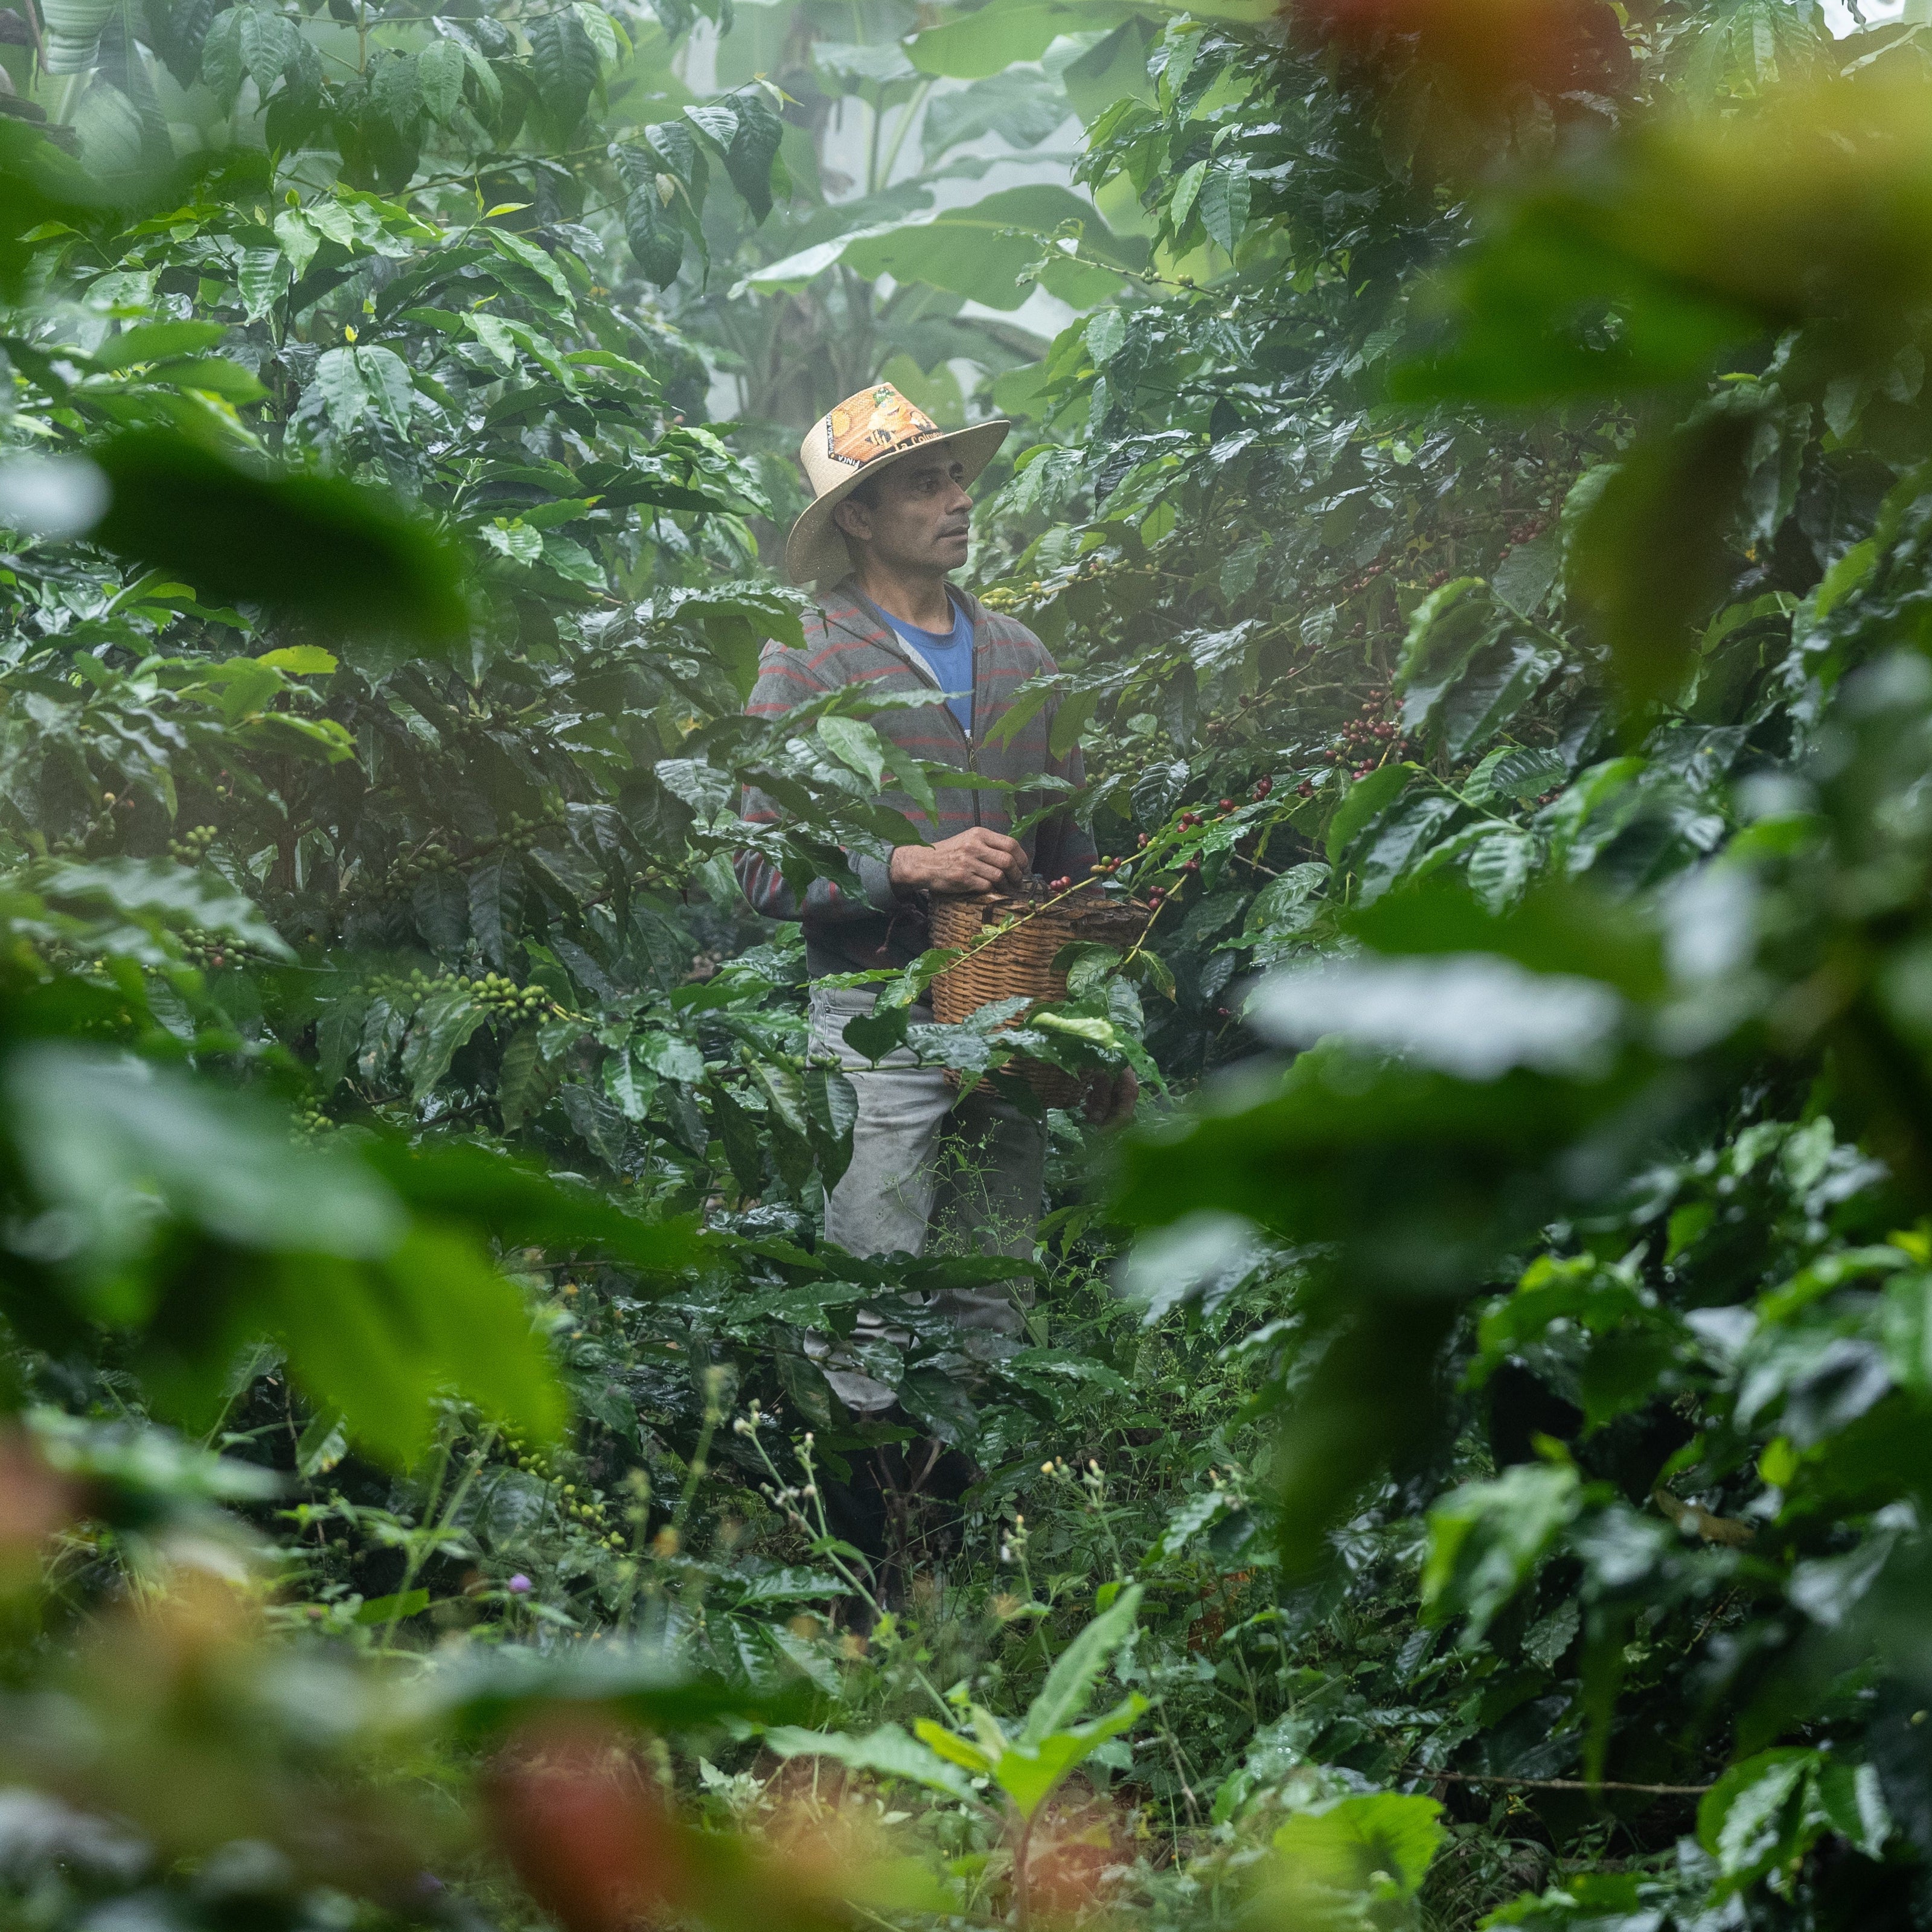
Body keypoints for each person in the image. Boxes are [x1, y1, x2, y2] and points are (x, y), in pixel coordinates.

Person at [734, 381, 1136, 1581]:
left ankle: (962, 1573)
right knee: (871, 1282)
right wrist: (903, 863)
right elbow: (756, 863)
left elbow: (1069, 855)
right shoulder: (803, 661)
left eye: (957, 478)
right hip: (875, 1023)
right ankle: (864, 1579)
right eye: (925, 483)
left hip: (1006, 1012)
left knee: (989, 1297)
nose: (958, 501)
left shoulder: (1020, 652)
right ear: (858, 516)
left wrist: (1100, 1004)